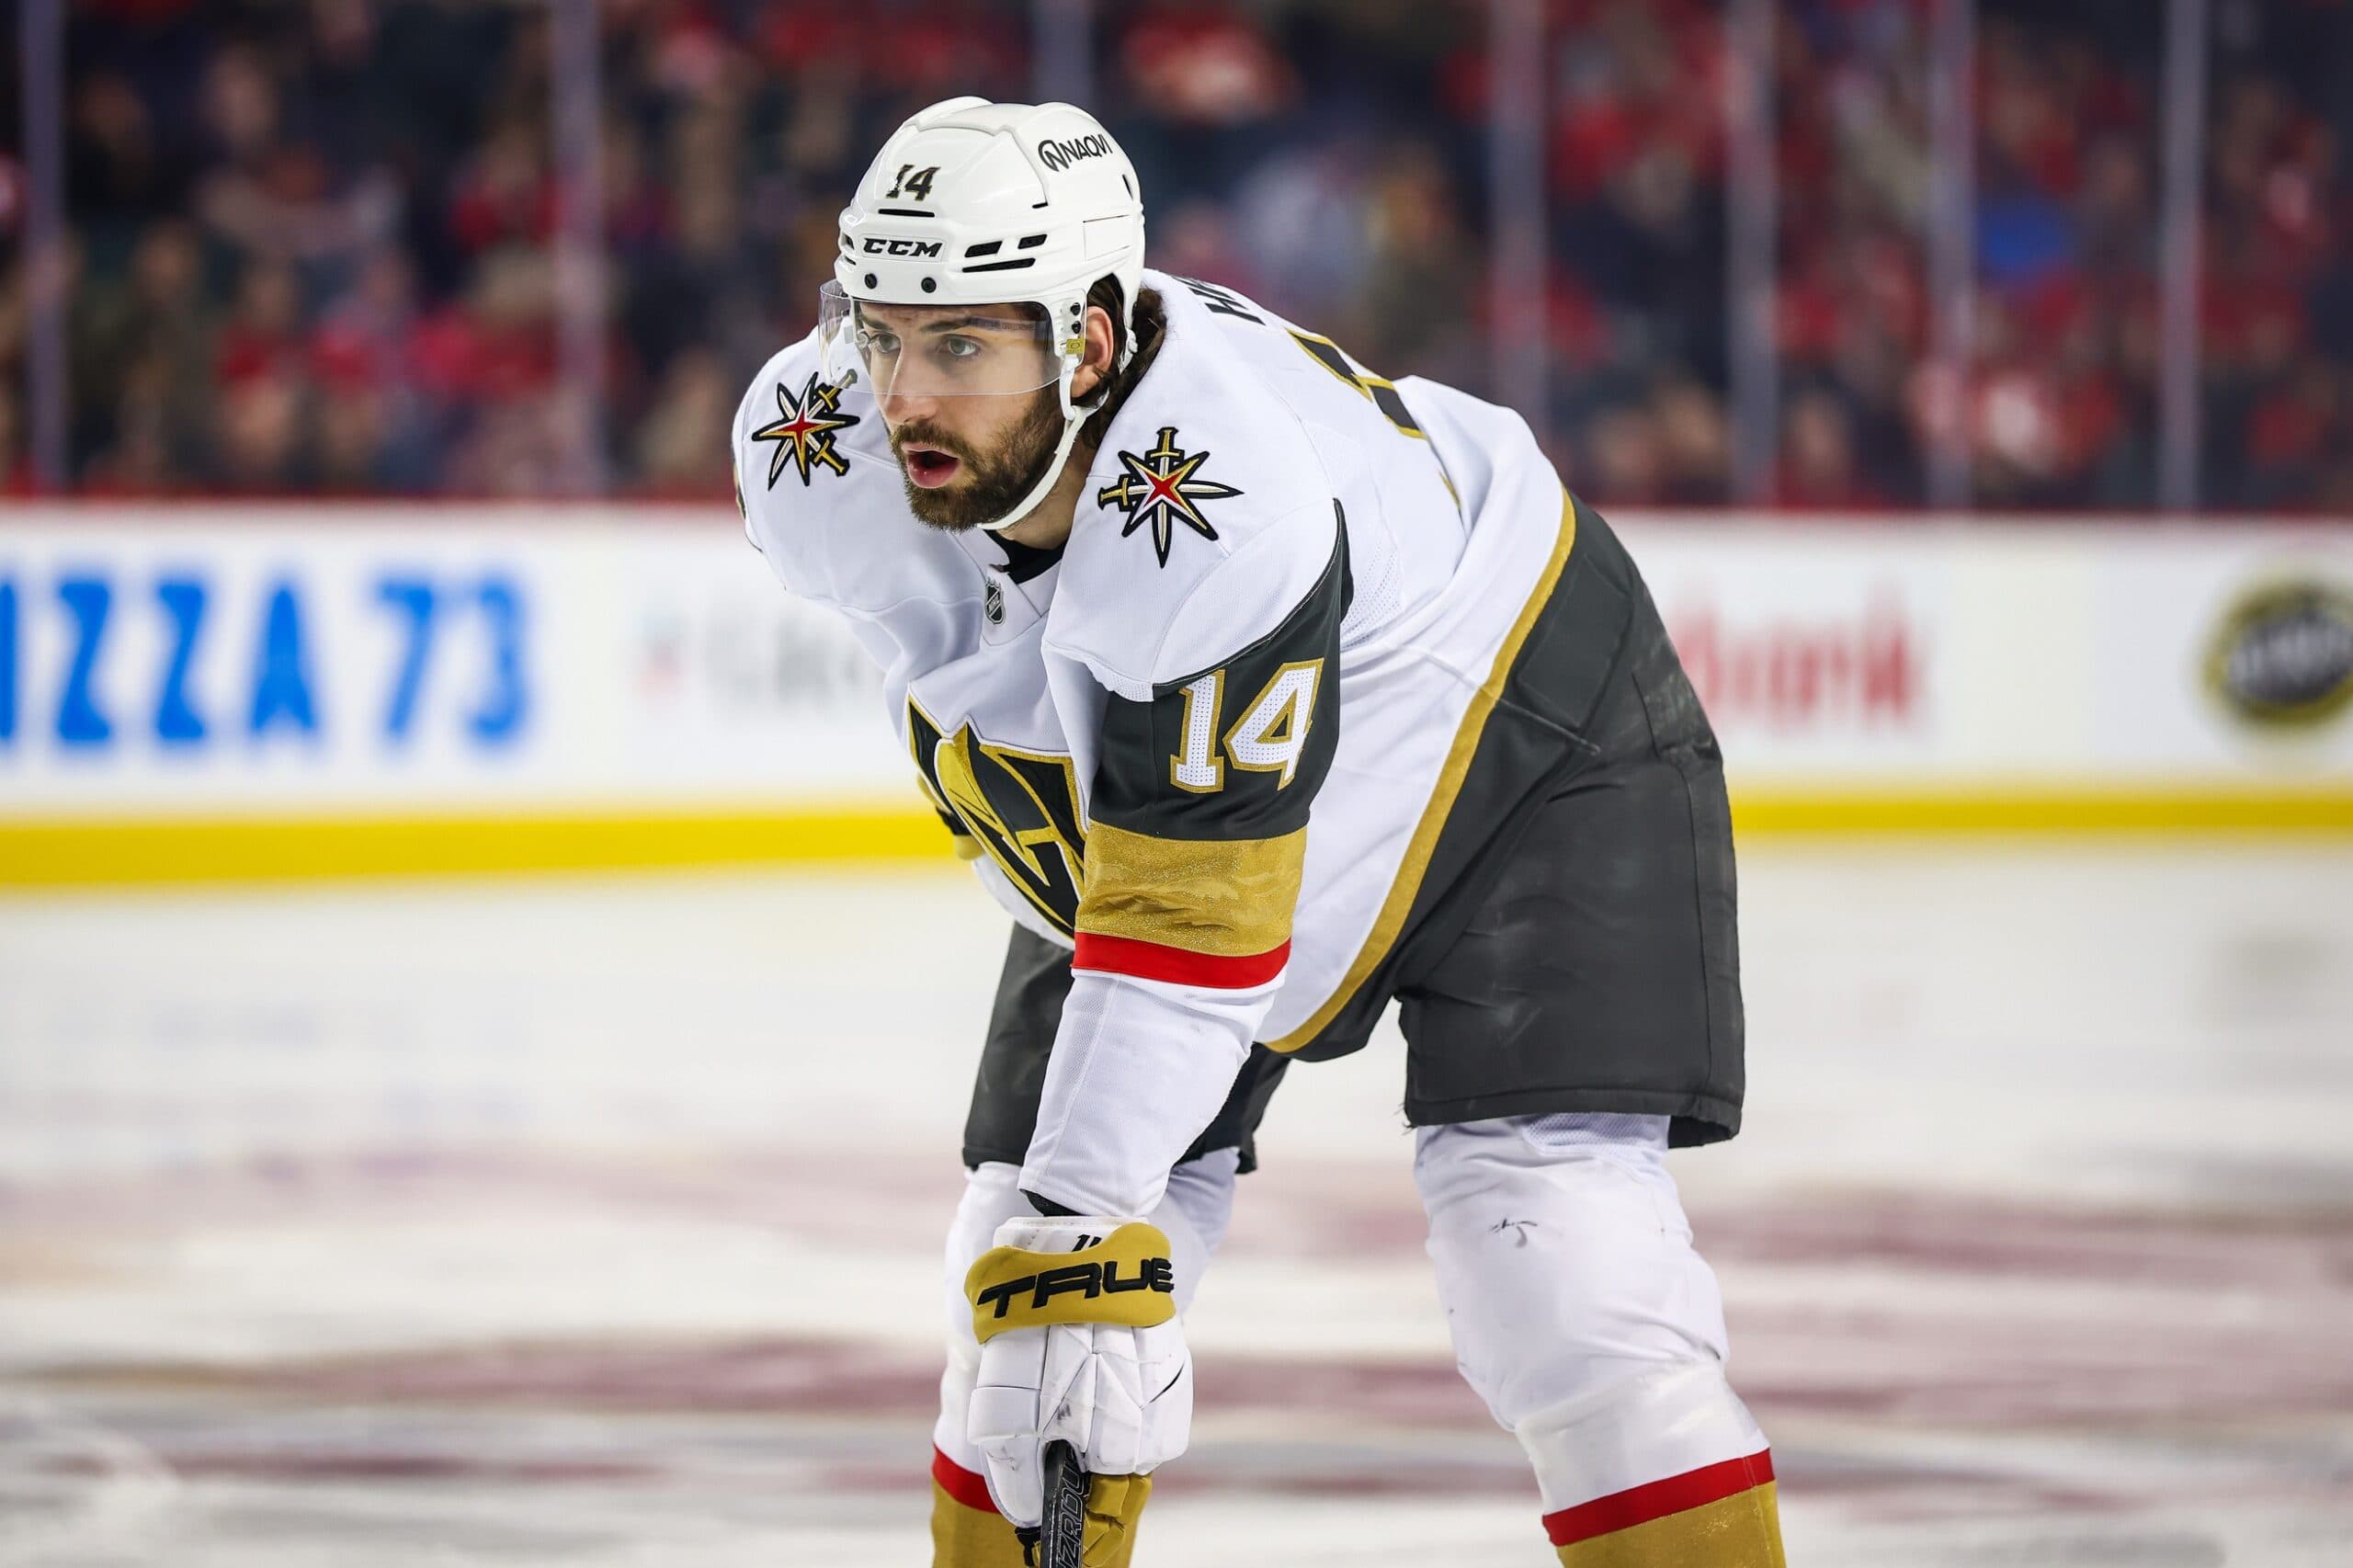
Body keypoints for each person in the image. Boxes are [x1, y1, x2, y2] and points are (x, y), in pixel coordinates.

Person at [731, 97, 1783, 1568]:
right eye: (882, 329)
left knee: (1565, 1277)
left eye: (962, 344)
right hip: (1184, 774)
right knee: (1028, 1339)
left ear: (1089, 342)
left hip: (1531, 715)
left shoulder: (1218, 506)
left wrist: (1080, 1218)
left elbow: (1187, 936)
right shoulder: (811, 441)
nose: (902, 394)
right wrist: (1056, 1239)